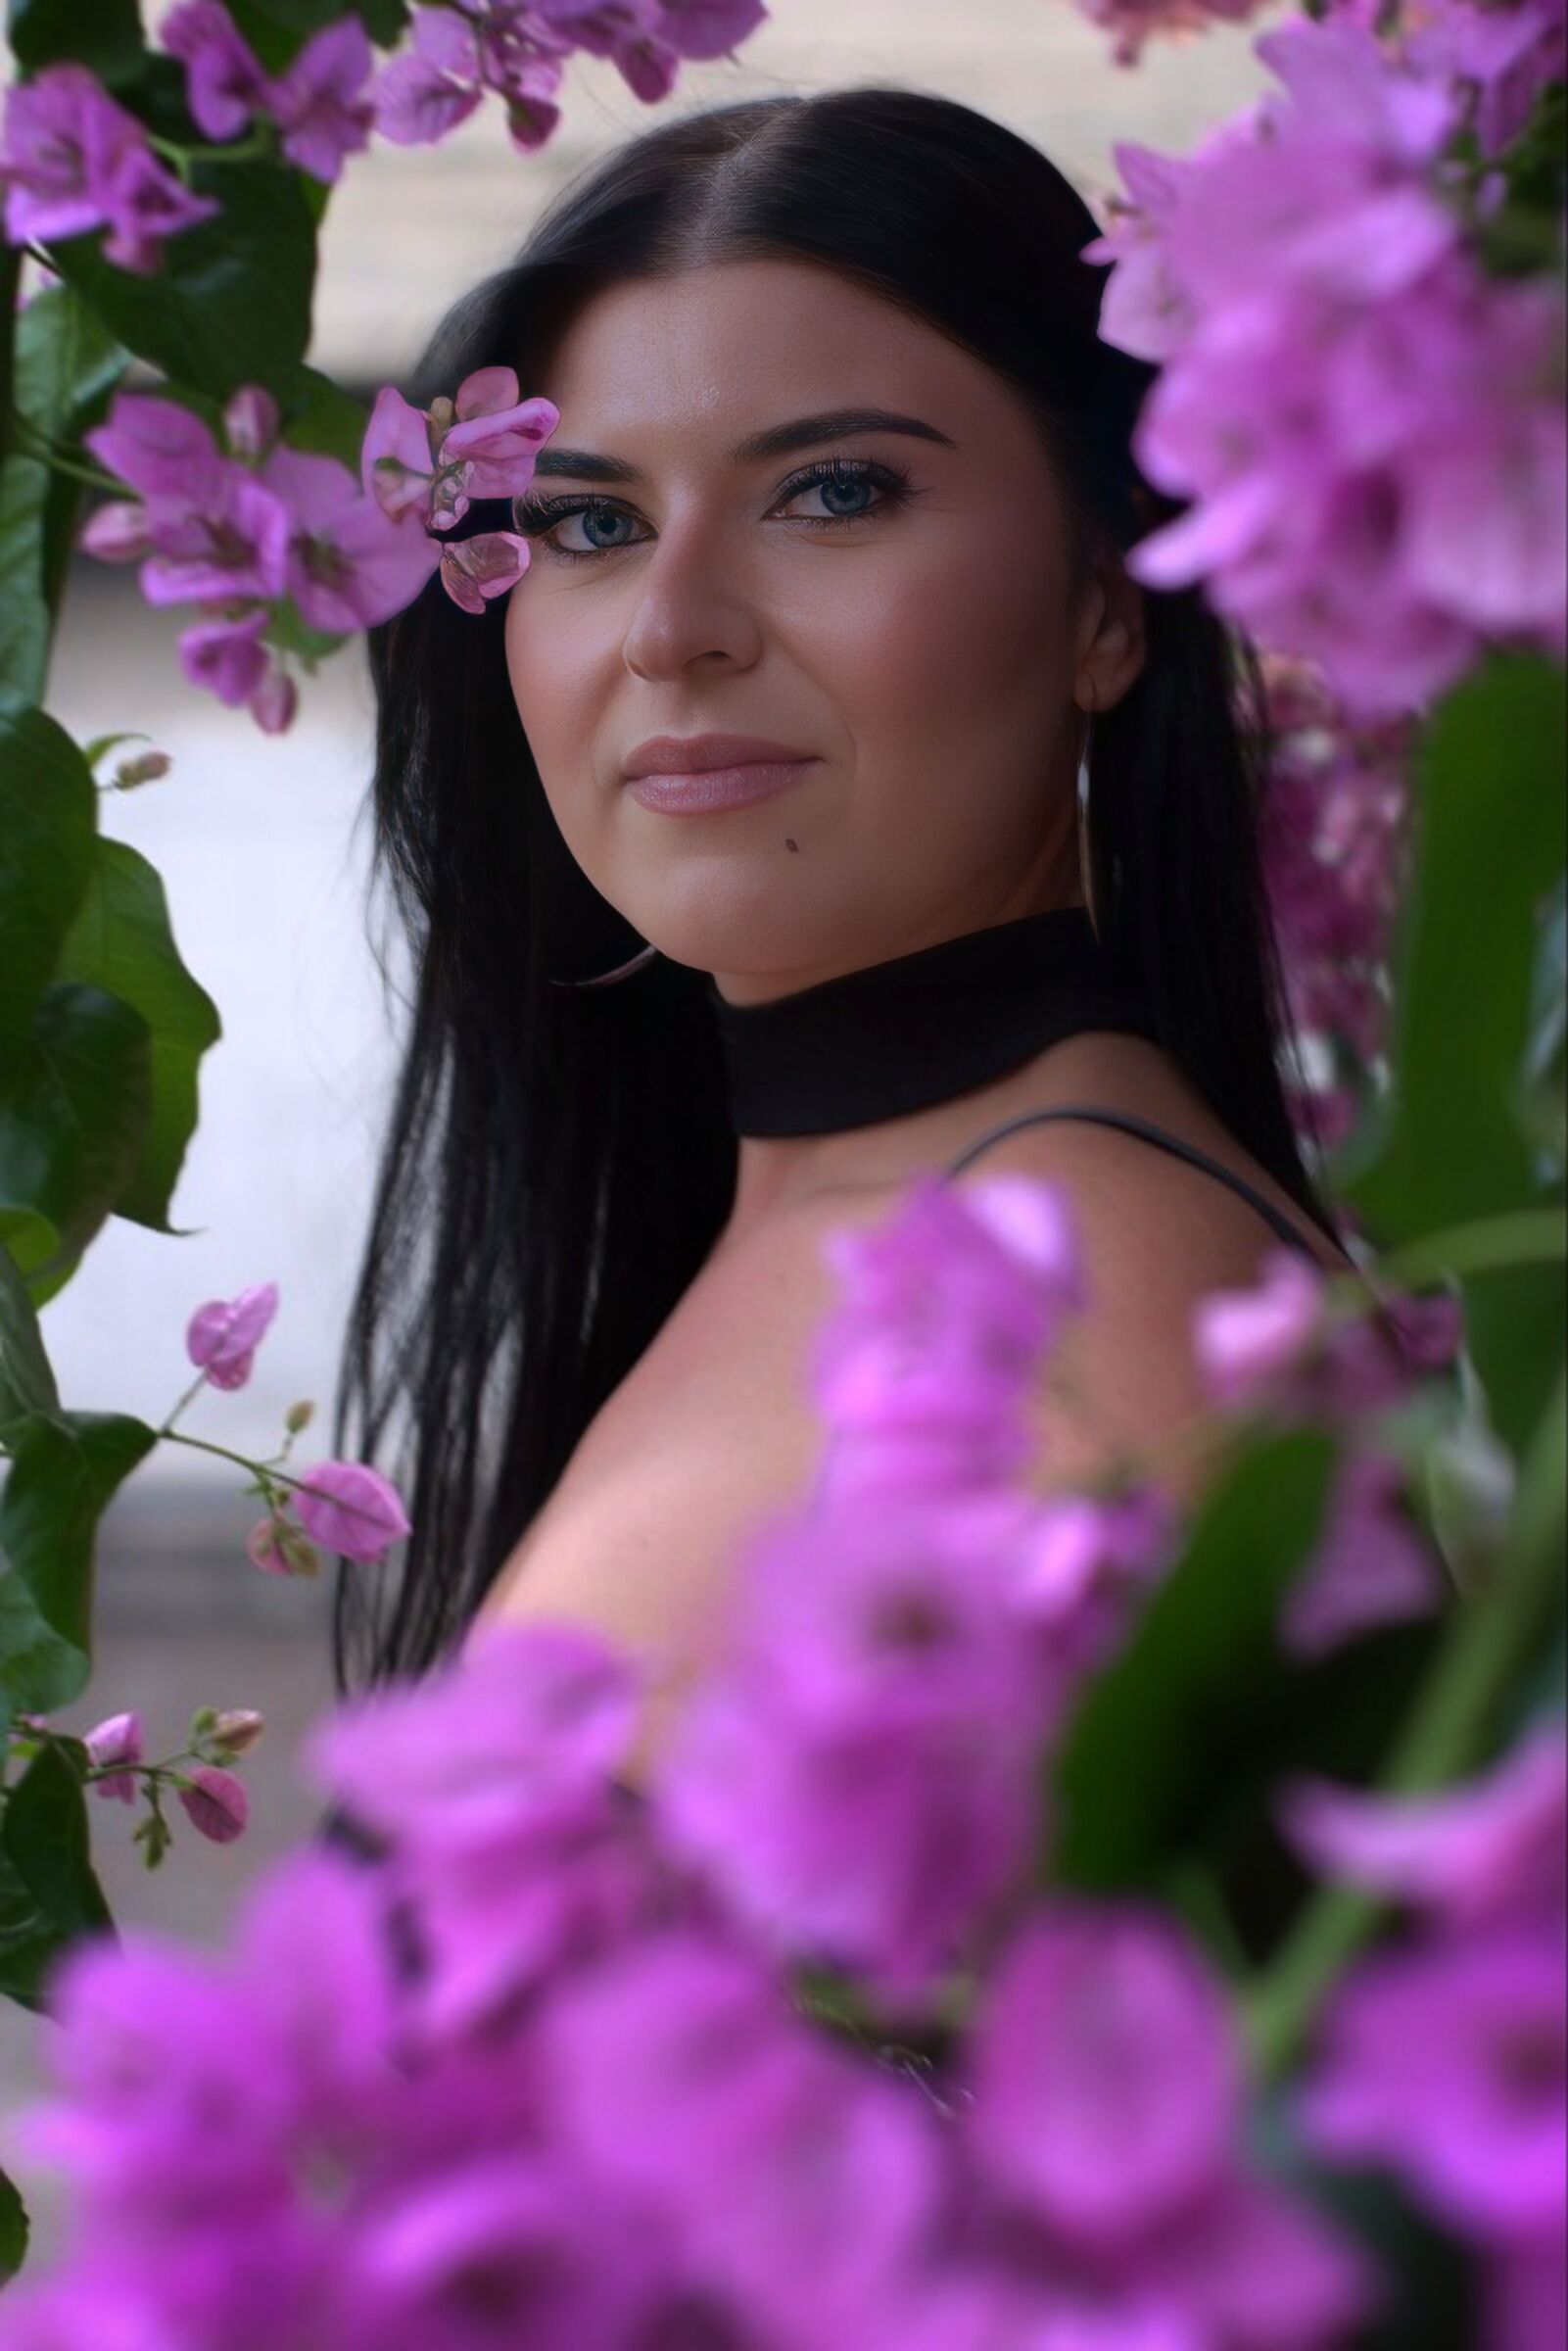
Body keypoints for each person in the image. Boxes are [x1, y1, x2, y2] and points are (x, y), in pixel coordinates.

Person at [332, 84, 1384, 1772]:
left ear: (1105, 608)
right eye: (590, 525)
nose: (672, 631)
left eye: (829, 494)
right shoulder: (832, 1218)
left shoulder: (1090, 1302)